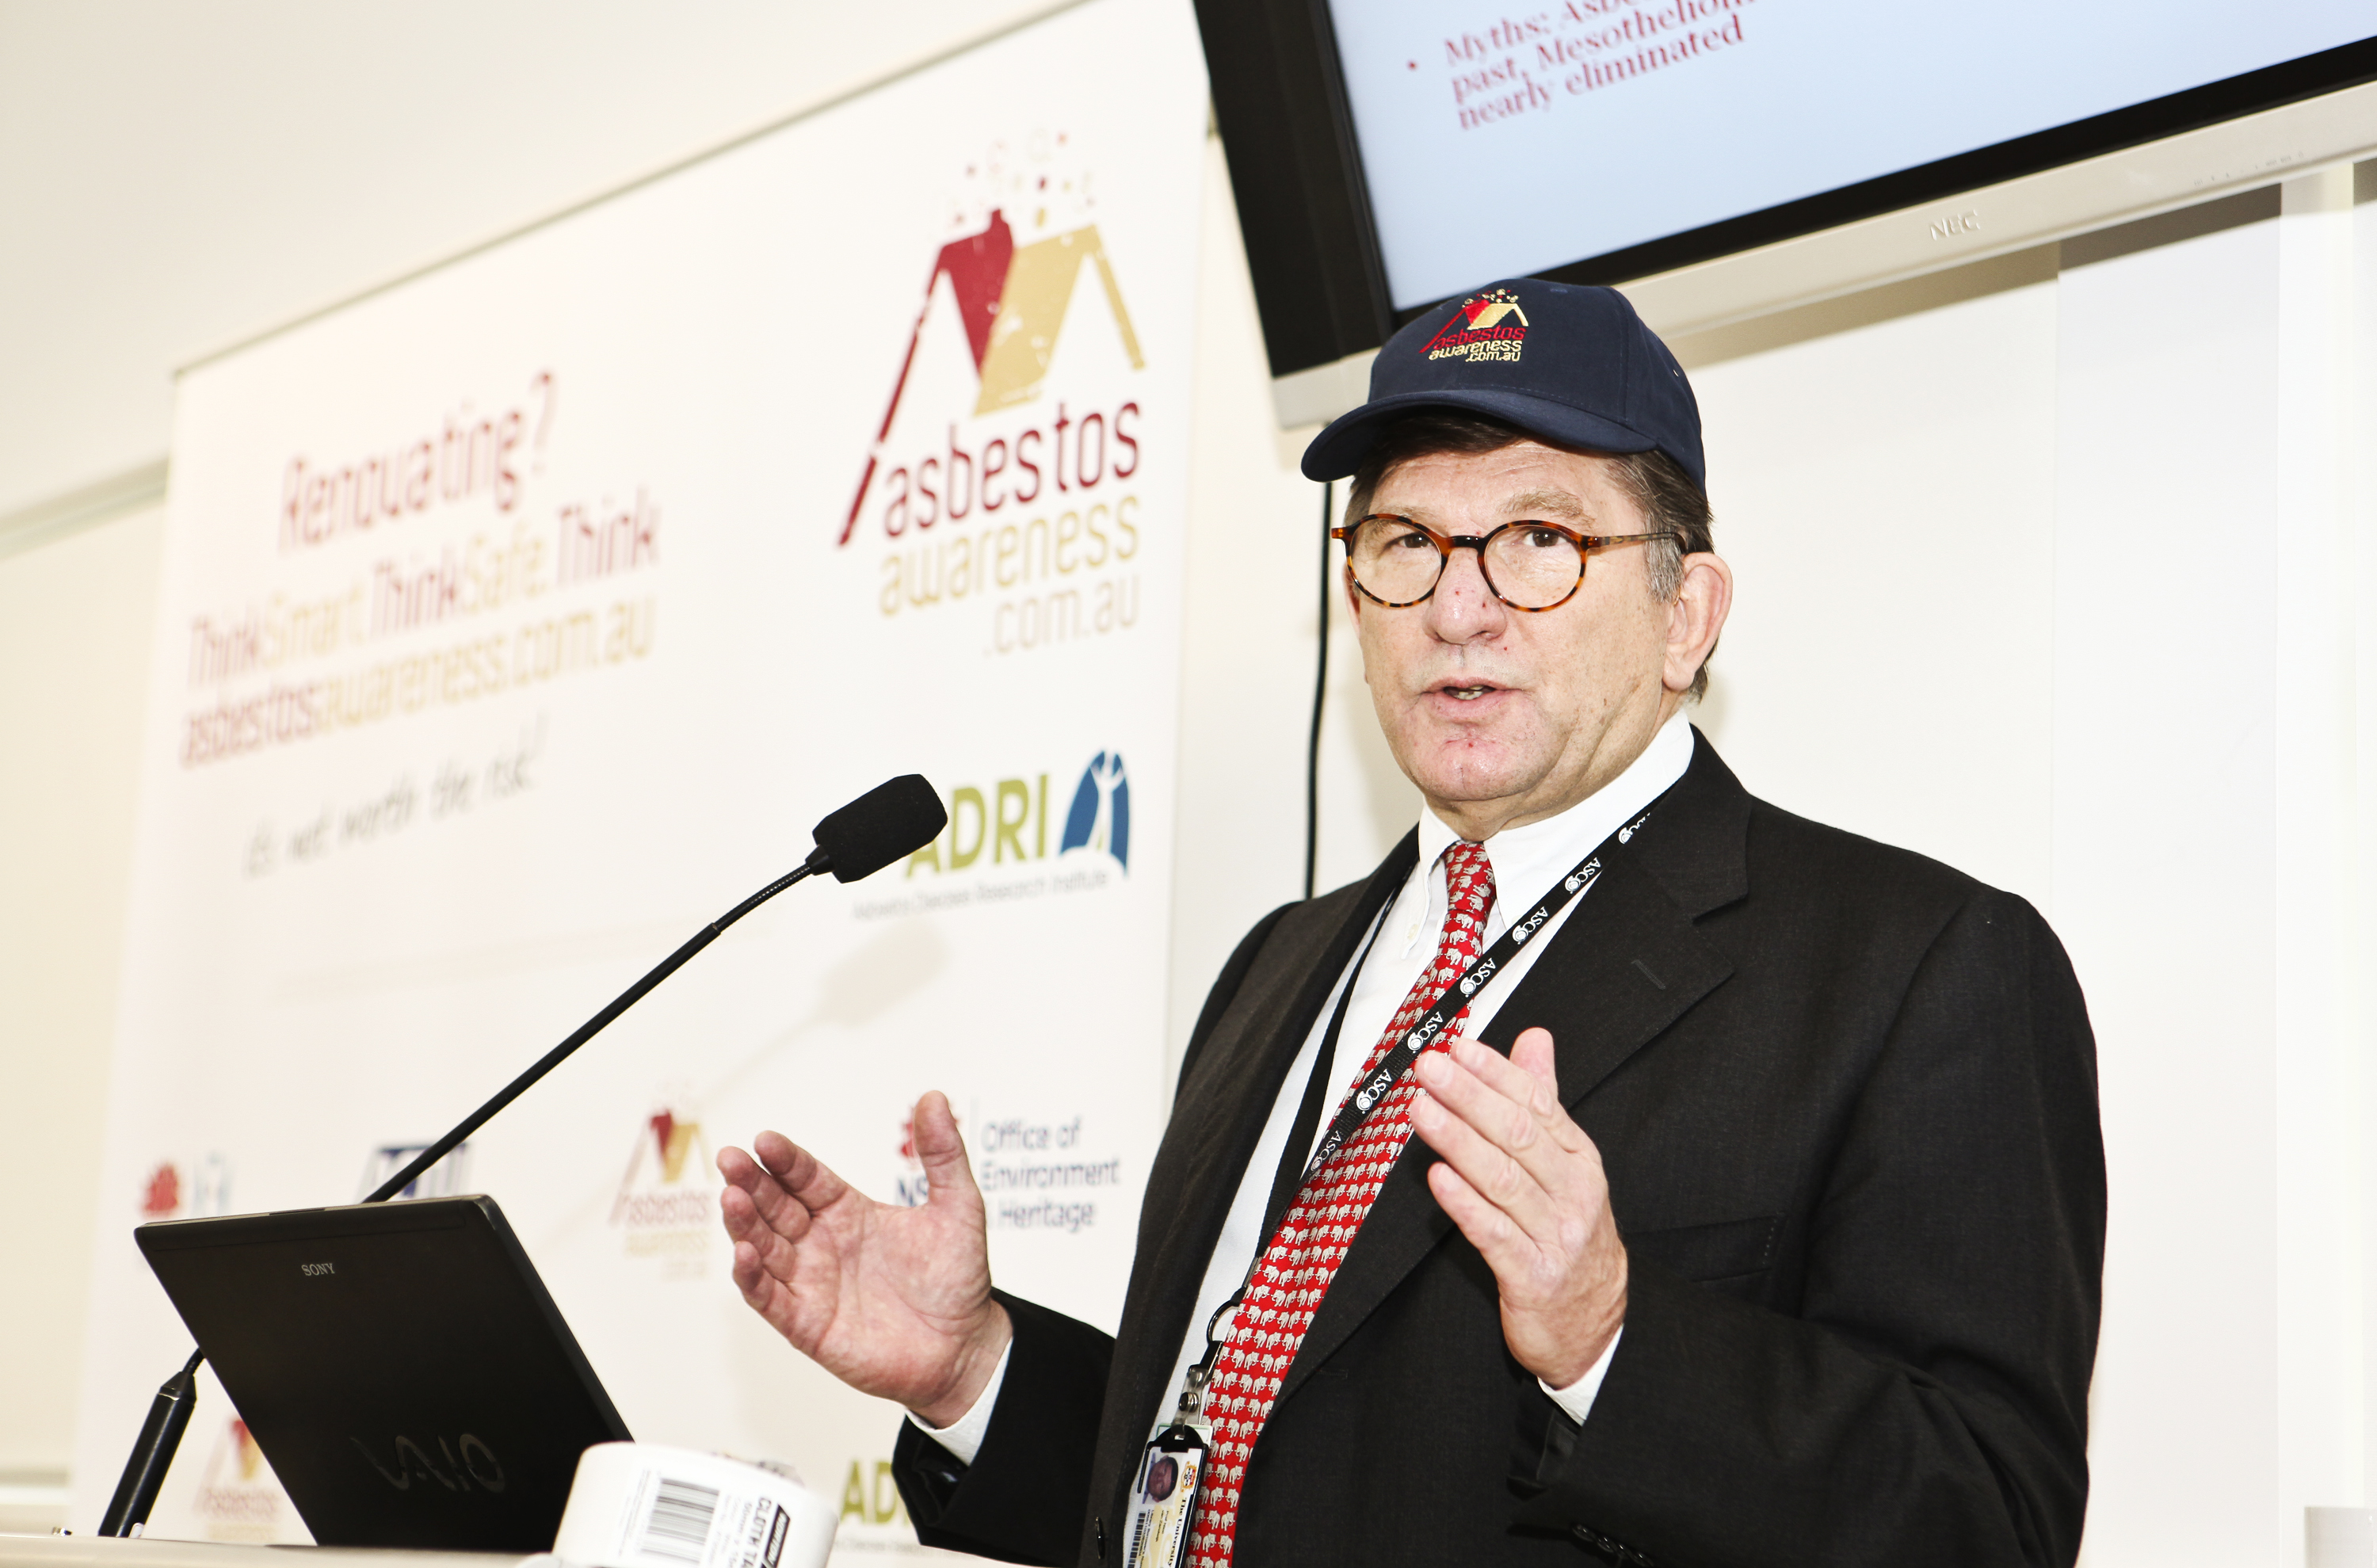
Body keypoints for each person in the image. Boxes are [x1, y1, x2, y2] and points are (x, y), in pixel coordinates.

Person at [718, 278, 2104, 1568]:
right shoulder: (1280, 965)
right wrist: (977, 1371)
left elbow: (1990, 1517)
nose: (1456, 608)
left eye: (1540, 543)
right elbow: (1246, 1460)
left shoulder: (1918, 968)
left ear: (1688, 613)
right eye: (1405, 544)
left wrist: (1613, 1342)